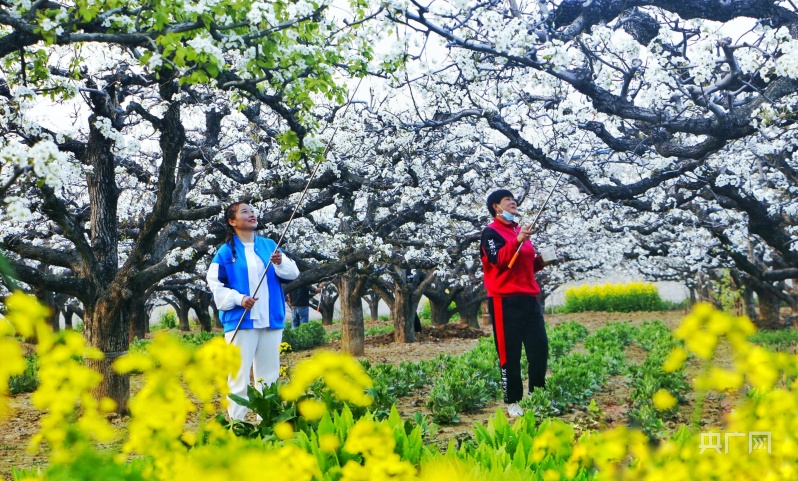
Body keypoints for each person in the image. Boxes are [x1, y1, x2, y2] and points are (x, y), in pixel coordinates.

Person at [206, 201, 299, 421]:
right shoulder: (226, 252)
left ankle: (265, 424)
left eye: (253, 211)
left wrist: (280, 261)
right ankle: (237, 426)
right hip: (241, 321)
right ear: (232, 221)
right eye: (244, 212)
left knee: (268, 376)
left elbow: (292, 273)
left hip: (270, 319)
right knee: (238, 376)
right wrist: (239, 299)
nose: (251, 214)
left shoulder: (269, 245)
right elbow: (215, 284)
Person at [480, 189, 550, 418]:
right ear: (496, 207)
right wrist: (517, 242)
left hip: (529, 299)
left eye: (514, 199)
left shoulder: (520, 231)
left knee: (539, 349)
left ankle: (538, 396)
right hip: (504, 301)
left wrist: (542, 260)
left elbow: (521, 266)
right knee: (509, 353)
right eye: (507, 199)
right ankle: (513, 401)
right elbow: (498, 260)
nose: (513, 202)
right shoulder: (490, 233)